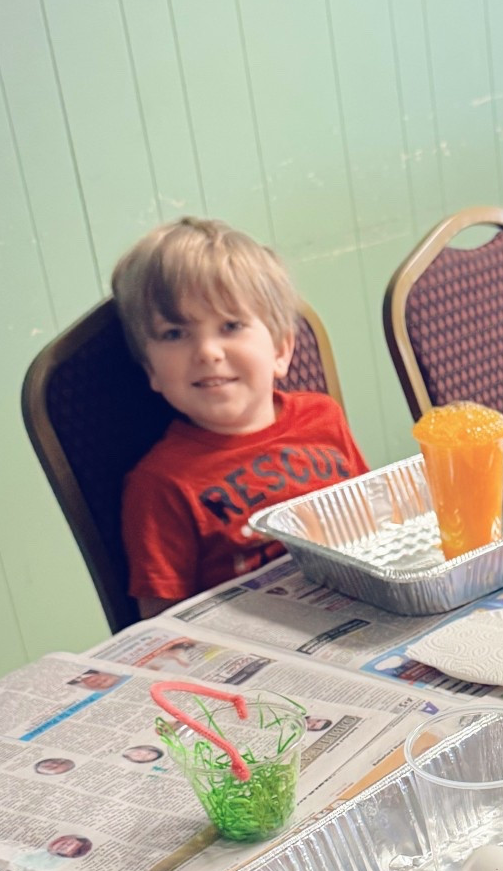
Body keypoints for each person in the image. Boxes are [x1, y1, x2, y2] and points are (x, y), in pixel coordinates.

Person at [112, 216, 368, 615]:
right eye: (175, 334)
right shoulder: (160, 484)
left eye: (230, 326)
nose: (208, 352)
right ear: (151, 370)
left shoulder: (324, 417)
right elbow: (161, 624)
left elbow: (376, 522)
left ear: (281, 350)